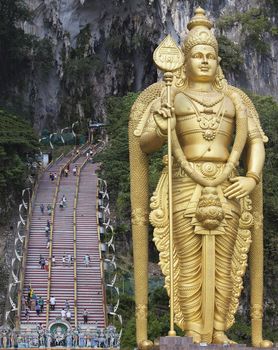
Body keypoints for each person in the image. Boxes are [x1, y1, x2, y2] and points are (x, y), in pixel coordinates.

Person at [129, 7, 269, 346]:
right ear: (184, 61)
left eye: (210, 55)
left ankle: (219, 328)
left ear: (218, 61)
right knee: (188, 261)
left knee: (226, 260)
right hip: (184, 183)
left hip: (228, 183)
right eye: (197, 55)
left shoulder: (235, 99)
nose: (204, 61)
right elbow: (143, 142)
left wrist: (250, 177)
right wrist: (162, 126)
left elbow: (255, 141)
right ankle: (192, 328)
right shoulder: (170, 96)